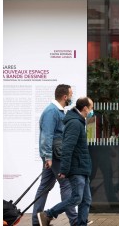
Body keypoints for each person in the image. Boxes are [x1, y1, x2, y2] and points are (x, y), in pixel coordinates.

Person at [38, 97, 94, 226]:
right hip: (76, 168)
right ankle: (48, 214)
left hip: (82, 167)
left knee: (86, 200)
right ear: (85, 108)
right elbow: (67, 148)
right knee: (76, 198)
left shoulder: (79, 122)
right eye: (91, 108)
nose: (92, 111)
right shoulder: (74, 123)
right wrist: (64, 169)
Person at [32, 84, 77, 226]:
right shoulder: (52, 112)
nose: (71, 97)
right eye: (70, 95)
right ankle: (75, 221)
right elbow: (47, 135)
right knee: (66, 184)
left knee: (45, 187)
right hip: (54, 156)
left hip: (54, 155)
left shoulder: (58, 111)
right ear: (65, 97)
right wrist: (48, 157)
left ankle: (36, 221)